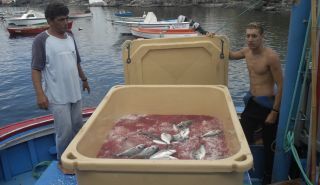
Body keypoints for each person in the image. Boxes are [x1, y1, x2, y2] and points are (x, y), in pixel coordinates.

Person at [31, 2, 90, 174]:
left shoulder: (70, 35)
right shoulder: (41, 40)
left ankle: (79, 155)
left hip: (75, 92)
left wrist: (84, 79)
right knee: (64, 132)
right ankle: (63, 162)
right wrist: (40, 94)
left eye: (67, 18)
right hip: (57, 97)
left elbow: (76, 60)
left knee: (78, 126)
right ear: (50, 21)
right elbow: (36, 69)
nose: (66, 22)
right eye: (61, 20)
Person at [228, 22, 283, 185]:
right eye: (247, 36)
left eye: (254, 36)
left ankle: (267, 178)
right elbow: (230, 55)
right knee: (240, 137)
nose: (250, 39)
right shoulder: (246, 52)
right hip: (253, 103)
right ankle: (241, 172)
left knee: (269, 144)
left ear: (262, 37)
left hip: (267, 105)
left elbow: (281, 85)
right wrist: (215, 39)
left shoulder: (271, 56)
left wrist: (274, 112)